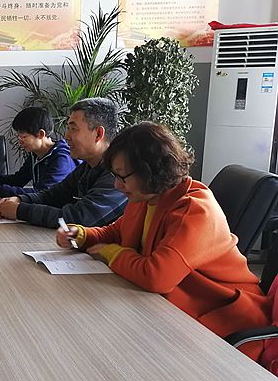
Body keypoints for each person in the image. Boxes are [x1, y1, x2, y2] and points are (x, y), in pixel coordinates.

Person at [56, 122, 269, 361]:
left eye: (122, 176)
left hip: (223, 316)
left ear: (151, 171)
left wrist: (110, 253)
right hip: (169, 306)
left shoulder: (194, 209)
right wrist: (82, 235)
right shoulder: (147, 196)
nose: (117, 185)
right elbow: (116, 232)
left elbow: (157, 276)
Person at [0, 98, 127, 227]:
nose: (66, 136)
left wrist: (20, 210)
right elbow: (53, 195)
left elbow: (80, 218)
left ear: (98, 134)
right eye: (67, 128)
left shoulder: (118, 173)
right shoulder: (87, 167)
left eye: (73, 129)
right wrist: (19, 200)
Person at [0, 106, 76, 198]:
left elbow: (43, 194)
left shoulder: (61, 159)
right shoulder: (36, 154)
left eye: (24, 137)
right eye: (18, 136)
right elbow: (18, 179)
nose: (20, 141)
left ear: (41, 134)